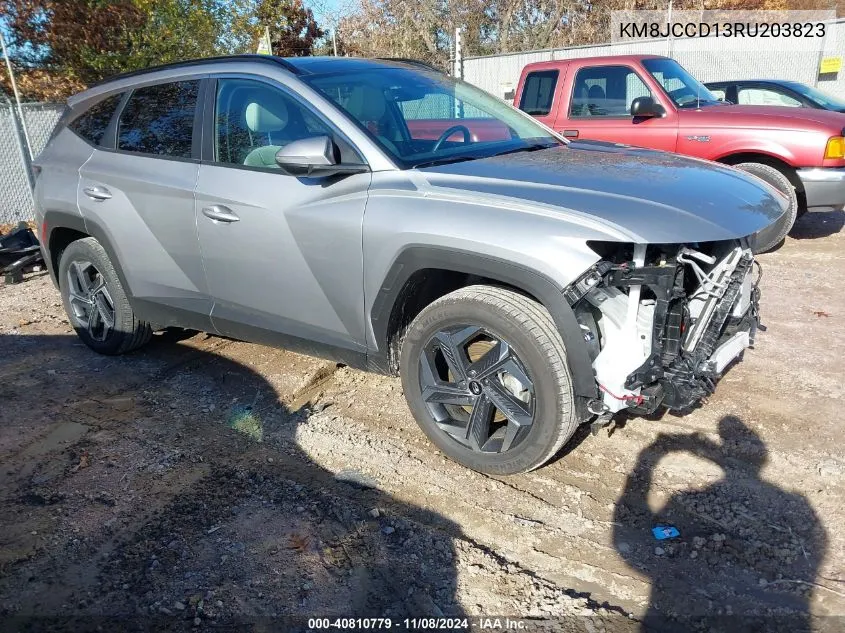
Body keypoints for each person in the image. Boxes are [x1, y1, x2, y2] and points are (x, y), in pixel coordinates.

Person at [613, 416, 826, 632]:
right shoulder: (796, 505)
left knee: (665, 532)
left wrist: (646, 463)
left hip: (677, 594)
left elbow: (628, 552)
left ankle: (671, 534)